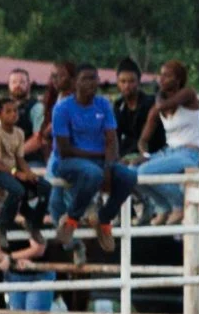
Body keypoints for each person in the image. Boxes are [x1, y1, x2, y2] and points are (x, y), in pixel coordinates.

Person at [49, 63, 136, 250]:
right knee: (94, 173)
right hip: (68, 162)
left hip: (98, 162)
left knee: (129, 176)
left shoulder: (103, 104)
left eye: (94, 78)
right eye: (85, 79)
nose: (91, 83)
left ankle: (103, 219)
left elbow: (112, 140)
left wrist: (108, 165)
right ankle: (71, 219)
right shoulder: (62, 108)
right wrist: (101, 157)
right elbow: (65, 150)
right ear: (75, 82)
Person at [134, 60, 199, 223]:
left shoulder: (188, 94)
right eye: (161, 75)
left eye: (167, 76)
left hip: (189, 153)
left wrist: (158, 94)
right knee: (131, 173)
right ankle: (163, 207)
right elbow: (143, 140)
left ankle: (178, 205)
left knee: (144, 172)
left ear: (178, 79)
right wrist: (145, 155)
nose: (162, 79)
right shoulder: (157, 108)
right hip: (169, 152)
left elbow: (163, 105)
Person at [0, 94, 48, 244]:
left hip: (13, 168)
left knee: (45, 187)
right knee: (17, 190)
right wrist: (17, 174)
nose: (13, 114)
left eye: (15, 111)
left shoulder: (19, 132)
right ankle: (1, 224)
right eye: (8, 111)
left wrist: (29, 173)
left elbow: (20, 158)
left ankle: (33, 222)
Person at [111, 57, 159, 156]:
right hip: (127, 152)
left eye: (131, 81)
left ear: (138, 81)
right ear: (118, 82)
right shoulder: (118, 105)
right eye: (123, 81)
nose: (127, 86)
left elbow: (153, 138)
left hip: (151, 151)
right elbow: (116, 135)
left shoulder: (150, 103)